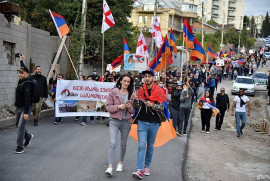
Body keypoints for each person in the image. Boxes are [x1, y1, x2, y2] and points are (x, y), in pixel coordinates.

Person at [131, 69, 166, 179]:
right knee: (142, 146)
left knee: (150, 147)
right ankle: (139, 170)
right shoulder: (140, 90)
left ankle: (147, 167)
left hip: (154, 123)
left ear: (153, 78)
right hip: (142, 121)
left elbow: (163, 107)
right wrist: (135, 100)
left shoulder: (160, 91)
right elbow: (137, 106)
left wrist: (152, 105)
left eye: (149, 76)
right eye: (145, 76)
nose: (147, 78)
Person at [105, 74, 135, 177]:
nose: (126, 83)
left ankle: (120, 163)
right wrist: (118, 106)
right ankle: (110, 167)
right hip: (114, 121)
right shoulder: (113, 92)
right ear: (120, 81)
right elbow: (108, 107)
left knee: (123, 144)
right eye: (125, 81)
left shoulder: (131, 94)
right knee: (113, 143)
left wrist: (129, 106)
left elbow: (133, 111)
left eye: (128, 82)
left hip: (126, 121)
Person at [14, 54, 33, 153]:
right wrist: (21, 60)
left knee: (20, 128)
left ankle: (20, 147)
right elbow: (24, 68)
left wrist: (26, 113)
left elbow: (28, 100)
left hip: (25, 108)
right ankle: (28, 136)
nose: (19, 74)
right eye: (19, 72)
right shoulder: (21, 81)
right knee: (19, 126)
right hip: (18, 107)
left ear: (27, 74)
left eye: (21, 73)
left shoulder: (27, 84)